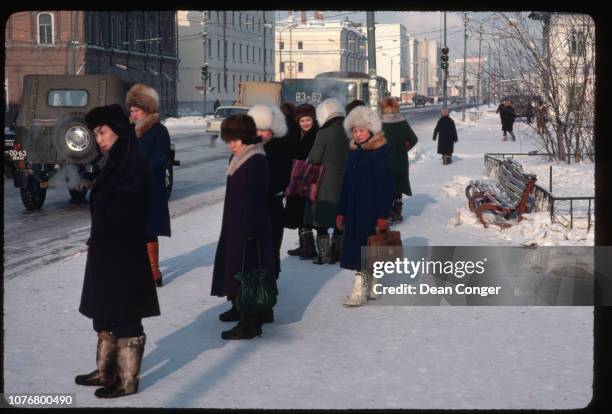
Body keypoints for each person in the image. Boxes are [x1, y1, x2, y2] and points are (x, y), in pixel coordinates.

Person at [76, 104, 160, 398]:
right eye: (95, 134)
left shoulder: (132, 159)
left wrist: (106, 233)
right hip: (106, 249)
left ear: (117, 129)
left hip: (124, 251)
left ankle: (127, 380)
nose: (98, 139)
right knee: (104, 311)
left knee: (125, 315)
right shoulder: (115, 158)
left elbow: (127, 208)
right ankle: (105, 371)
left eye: (102, 132)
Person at [211, 114, 277, 340]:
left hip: (249, 226)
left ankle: (250, 322)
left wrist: (250, 230)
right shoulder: (239, 157)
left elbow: (258, 199)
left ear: (246, 137)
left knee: (249, 272)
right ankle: (239, 307)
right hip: (236, 221)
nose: (231, 144)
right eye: (228, 139)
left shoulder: (255, 160)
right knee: (237, 270)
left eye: (235, 139)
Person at [336, 106, 394, 307]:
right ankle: (372, 284)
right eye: (354, 130)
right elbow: (345, 184)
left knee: (365, 249)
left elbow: (385, 186)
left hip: (370, 211)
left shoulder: (379, 153)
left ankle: (359, 290)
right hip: (353, 210)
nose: (357, 134)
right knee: (362, 250)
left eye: (361, 130)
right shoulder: (354, 153)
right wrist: (341, 211)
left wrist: (382, 215)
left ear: (371, 130)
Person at [126, 84, 171, 287]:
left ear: (147, 110)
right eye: (132, 110)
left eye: (137, 110)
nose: (133, 114)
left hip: (150, 188)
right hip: (131, 189)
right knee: (132, 230)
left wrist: (139, 167)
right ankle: (137, 270)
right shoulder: (129, 131)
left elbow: (161, 158)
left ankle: (153, 271)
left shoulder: (159, 131)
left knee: (148, 230)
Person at [247, 105, 290, 296]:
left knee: (270, 250)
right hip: (251, 208)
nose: (261, 134)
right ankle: (246, 296)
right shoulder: (248, 148)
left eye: (264, 130)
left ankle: (268, 293)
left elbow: (282, 179)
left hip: (271, 206)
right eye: (257, 129)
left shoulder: (280, 148)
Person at [304, 98, 350, 265]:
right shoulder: (350, 130)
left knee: (322, 217)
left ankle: (324, 255)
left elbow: (314, 158)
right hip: (346, 180)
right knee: (340, 215)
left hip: (326, 182)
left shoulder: (323, 133)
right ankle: (338, 251)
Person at [284, 103, 319, 259]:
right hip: (297, 178)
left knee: (305, 212)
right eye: (302, 121)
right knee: (299, 212)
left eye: (308, 120)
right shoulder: (296, 134)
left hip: (310, 178)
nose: (305, 123)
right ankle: (305, 245)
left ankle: (309, 247)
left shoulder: (316, 134)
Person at [380, 97, 418, 224]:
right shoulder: (402, 122)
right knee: (398, 188)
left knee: (385, 188)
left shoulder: (379, 124)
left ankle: (388, 214)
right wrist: (404, 149)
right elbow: (413, 139)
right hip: (400, 161)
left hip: (383, 161)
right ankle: (397, 213)